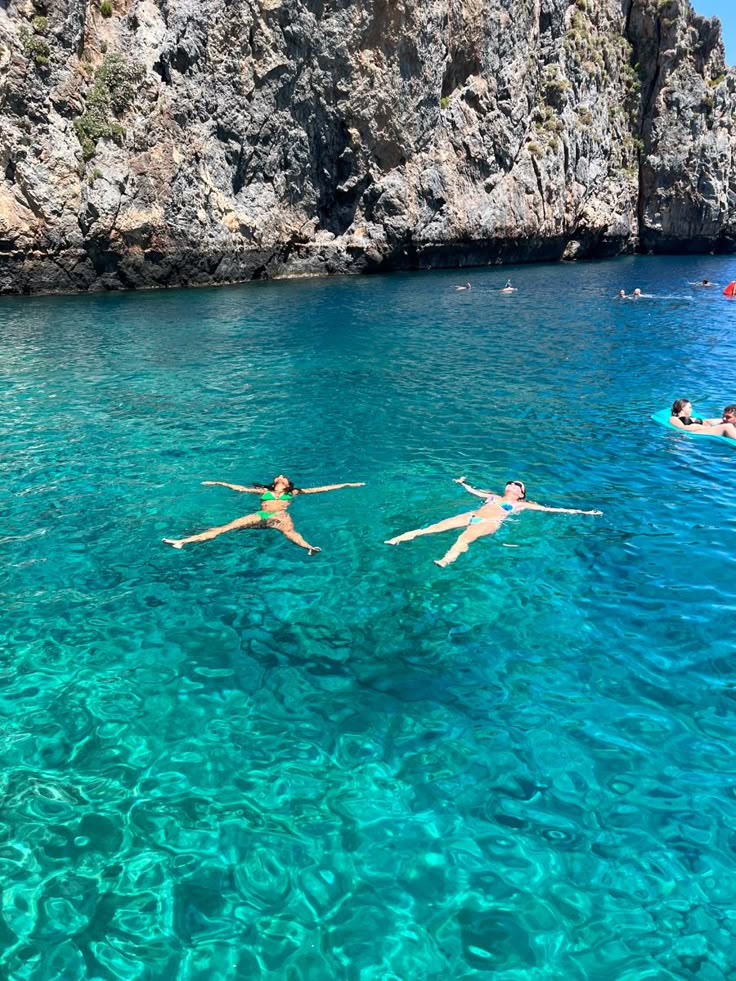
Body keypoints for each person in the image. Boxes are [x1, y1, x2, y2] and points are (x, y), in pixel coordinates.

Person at [385, 476, 602, 568]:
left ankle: (446, 560)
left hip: (491, 522)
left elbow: (551, 509)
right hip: (472, 514)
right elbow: (473, 490)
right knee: (433, 527)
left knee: (464, 537)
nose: (513, 485)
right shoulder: (492, 496)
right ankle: (400, 538)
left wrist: (583, 512)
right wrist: (462, 483)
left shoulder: (522, 504)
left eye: (518, 485)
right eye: (511, 483)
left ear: (521, 494)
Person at [163, 474, 365, 554]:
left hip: (281, 517)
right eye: (279, 476)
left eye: (283, 477)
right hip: (262, 515)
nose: (281, 476)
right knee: (223, 528)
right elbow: (240, 488)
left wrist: (347, 484)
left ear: (286, 483)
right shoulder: (264, 491)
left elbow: (323, 489)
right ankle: (184, 541)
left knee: (292, 534)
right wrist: (219, 483)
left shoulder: (293, 492)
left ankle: (310, 548)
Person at [669, 399, 736, 438]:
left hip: (707, 428)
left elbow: (707, 421)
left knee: (727, 424)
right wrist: (702, 427)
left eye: (727, 417)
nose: (691, 409)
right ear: (682, 407)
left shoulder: (693, 417)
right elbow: (681, 428)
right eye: (690, 407)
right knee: (727, 426)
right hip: (696, 432)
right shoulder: (674, 418)